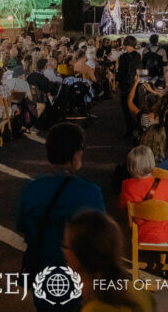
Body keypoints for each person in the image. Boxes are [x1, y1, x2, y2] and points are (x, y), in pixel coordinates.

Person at [17, 123, 104, 311]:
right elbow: (100, 238)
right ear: (75, 155)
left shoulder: (31, 190)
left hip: (43, 278)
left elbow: (24, 228)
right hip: (80, 282)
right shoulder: (91, 193)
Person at [63, 210, 164, 311]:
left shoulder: (95, 309)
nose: (63, 251)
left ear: (76, 256)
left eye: (66, 246)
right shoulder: (141, 293)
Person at [119, 146, 168, 244]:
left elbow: (122, 207)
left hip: (139, 235)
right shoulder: (165, 183)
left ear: (131, 166)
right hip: (163, 235)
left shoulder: (127, 185)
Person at [116, 36, 141, 136]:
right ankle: (136, 129)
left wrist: (117, 83)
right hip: (135, 85)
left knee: (126, 108)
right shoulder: (138, 56)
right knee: (136, 107)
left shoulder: (123, 57)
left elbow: (121, 73)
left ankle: (130, 130)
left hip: (125, 86)